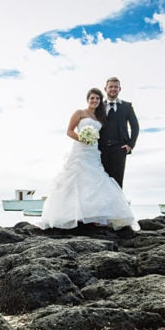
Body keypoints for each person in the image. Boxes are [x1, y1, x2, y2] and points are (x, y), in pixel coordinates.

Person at [39, 87, 138, 231]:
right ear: (87, 99)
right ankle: (72, 215)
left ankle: (95, 216)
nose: (95, 101)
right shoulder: (79, 113)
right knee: (76, 179)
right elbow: (69, 131)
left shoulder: (100, 117)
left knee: (95, 179)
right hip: (80, 150)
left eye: (97, 98)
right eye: (92, 98)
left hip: (93, 152)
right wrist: (82, 138)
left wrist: (126, 144)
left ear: (100, 101)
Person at [99, 76, 139, 188]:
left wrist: (130, 145)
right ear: (105, 89)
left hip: (119, 149)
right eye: (110, 86)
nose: (113, 89)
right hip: (101, 149)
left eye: (116, 87)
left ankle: (116, 205)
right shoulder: (98, 106)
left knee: (117, 183)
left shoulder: (127, 106)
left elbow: (135, 127)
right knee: (101, 181)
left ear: (119, 89)